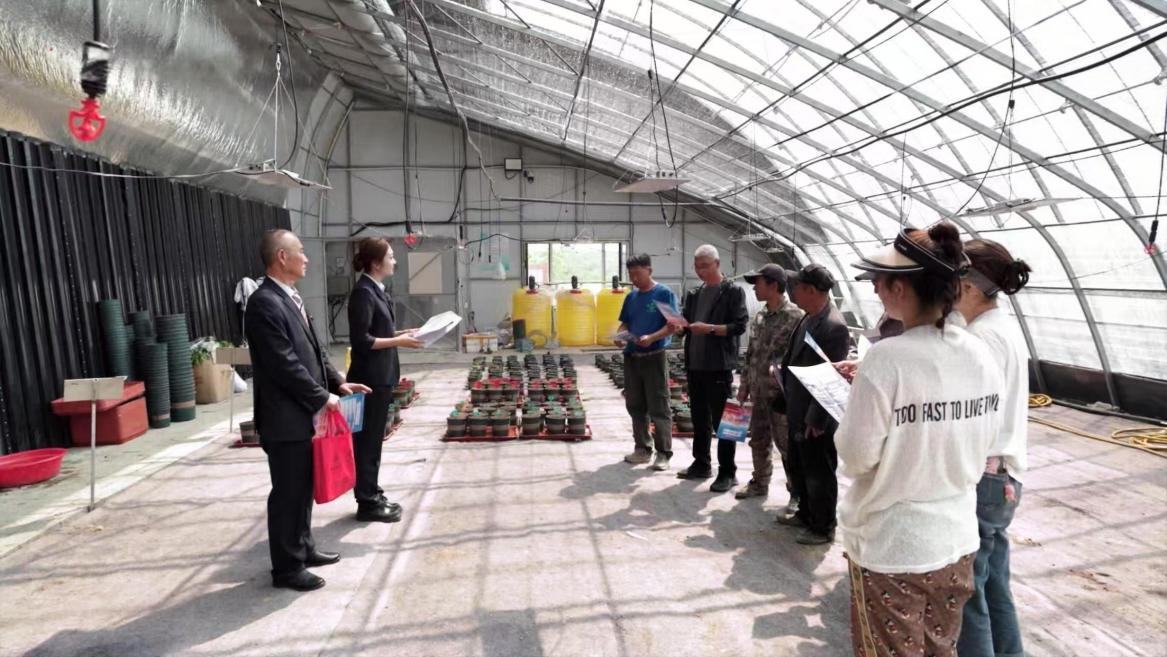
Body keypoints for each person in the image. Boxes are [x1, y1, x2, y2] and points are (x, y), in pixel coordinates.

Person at [836, 223, 1003, 657]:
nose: (875, 289)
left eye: (879, 280)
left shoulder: (887, 359)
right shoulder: (980, 354)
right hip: (956, 541)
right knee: (940, 649)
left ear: (900, 288)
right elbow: (986, 438)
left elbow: (856, 457)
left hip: (894, 547)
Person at [245, 229, 370, 592]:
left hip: (303, 415)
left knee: (303, 487)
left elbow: (315, 352)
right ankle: (286, 568)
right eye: (300, 251)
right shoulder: (264, 303)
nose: (307, 258)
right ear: (282, 257)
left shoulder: (291, 297)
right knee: (288, 492)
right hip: (284, 418)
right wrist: (321, 397)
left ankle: (303, 547)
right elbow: (284, 364)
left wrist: (338, 383)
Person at [954, 239, 1033, 657]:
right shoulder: (1003, 328)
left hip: (984, 478)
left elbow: (970, 419)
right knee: (995, 586)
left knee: (968, 595)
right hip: (1005, 478)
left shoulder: (980, 339)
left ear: (968, 286)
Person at [347, 237, 425, 523]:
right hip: (369, 379)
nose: (394, 260)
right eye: (390, 256)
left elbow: (380, 331)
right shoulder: (363, 293)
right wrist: (399, 341)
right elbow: (362, 340)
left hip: (381, 376)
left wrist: (404, 333)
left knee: (373, 440)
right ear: (376, 263)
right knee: (367, 442)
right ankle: (366, 502)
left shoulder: (376, 290)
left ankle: (372, 492)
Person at [775, 263, 851, 545]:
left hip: (815, 415)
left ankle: (823, 526)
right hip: (797, 406)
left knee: (819, 470)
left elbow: (832, 377)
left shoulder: (833, 326)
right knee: (800, 465)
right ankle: (805, 514)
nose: (793, 291)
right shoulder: (808, 317)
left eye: (797, 287)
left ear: (810, 290)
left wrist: (817, 419)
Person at [674, 245, 749, 493]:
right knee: (699, 418)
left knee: (724, 421)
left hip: (718, 366)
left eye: (705, 266)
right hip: (695, 365)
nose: (700, 271)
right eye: (697, 266)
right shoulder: (694, 294)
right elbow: (686, 324)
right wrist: (680, 328)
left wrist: (711, 329)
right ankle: (701, 463)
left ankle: (728, 471)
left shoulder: (732, 292)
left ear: (717, 264)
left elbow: (739, 325)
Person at [733, 264, 804, 505]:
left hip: (780, 396)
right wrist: (744, 384)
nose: (754, 288)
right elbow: (751, 353)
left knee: (787, 445)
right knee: (758, 439)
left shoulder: (795, 317)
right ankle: (760, 482)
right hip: (758, 391)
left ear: (773, 285)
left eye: (758, 283)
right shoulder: (761, 316)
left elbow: (800, 357)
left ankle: (796, 493)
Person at [615, 253, 678, 471]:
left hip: (654, 357)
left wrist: (652, 337)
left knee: (659, 406)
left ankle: (663, 453)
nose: (634, 279)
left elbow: (673, 325)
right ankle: (642, 448)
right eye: (631, 274)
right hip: (632, 358)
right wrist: (619, 335)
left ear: (649, 271)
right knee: (635, 405)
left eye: (638, 274)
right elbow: (625, 323)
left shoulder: (663, 294)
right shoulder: (631, 297)